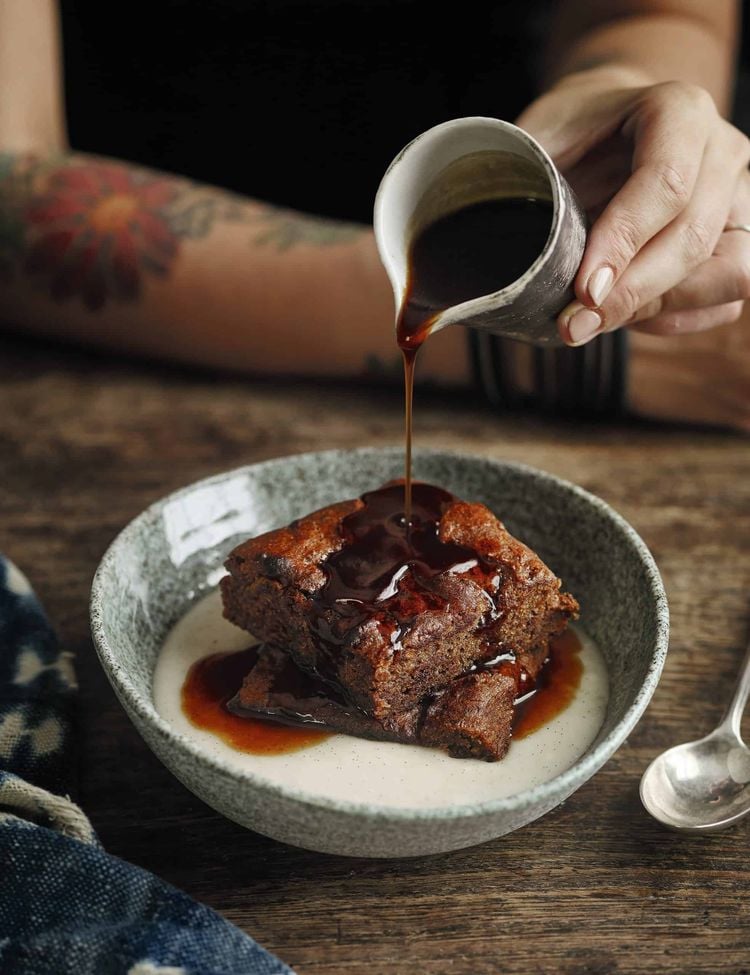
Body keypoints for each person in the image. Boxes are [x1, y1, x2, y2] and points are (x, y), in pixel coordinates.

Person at [0, 0, 748, 429]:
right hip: (111, 369)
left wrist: (623, 94)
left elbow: (652, 11)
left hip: (515, 187)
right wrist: (526, 336)